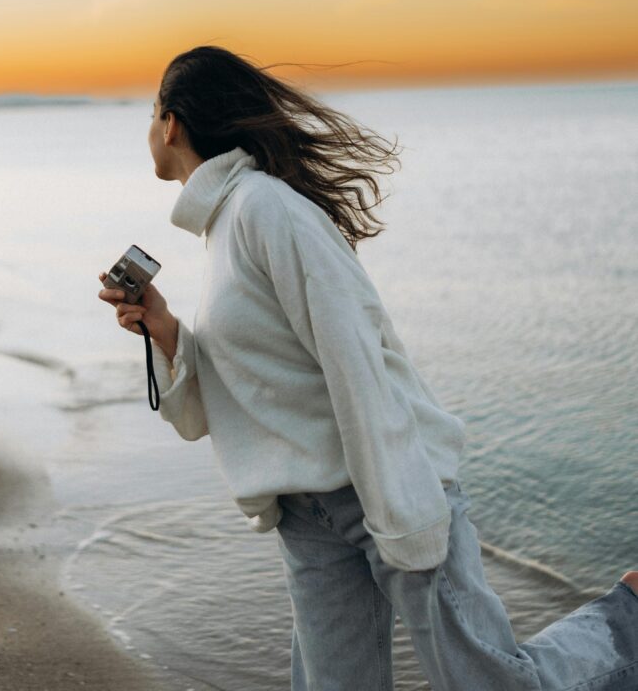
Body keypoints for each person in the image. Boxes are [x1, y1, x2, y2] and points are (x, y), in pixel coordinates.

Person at [98, 45, 638, 691]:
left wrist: (401, 516)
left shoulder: (266, 208)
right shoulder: (223, 227)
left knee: (490, 683)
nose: (149, 130)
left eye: (151, 113)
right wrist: (164, 327)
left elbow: (354, 359)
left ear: (173, 123)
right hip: (305, 512)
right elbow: (255, 386)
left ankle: (625, 615)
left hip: (383, 488)